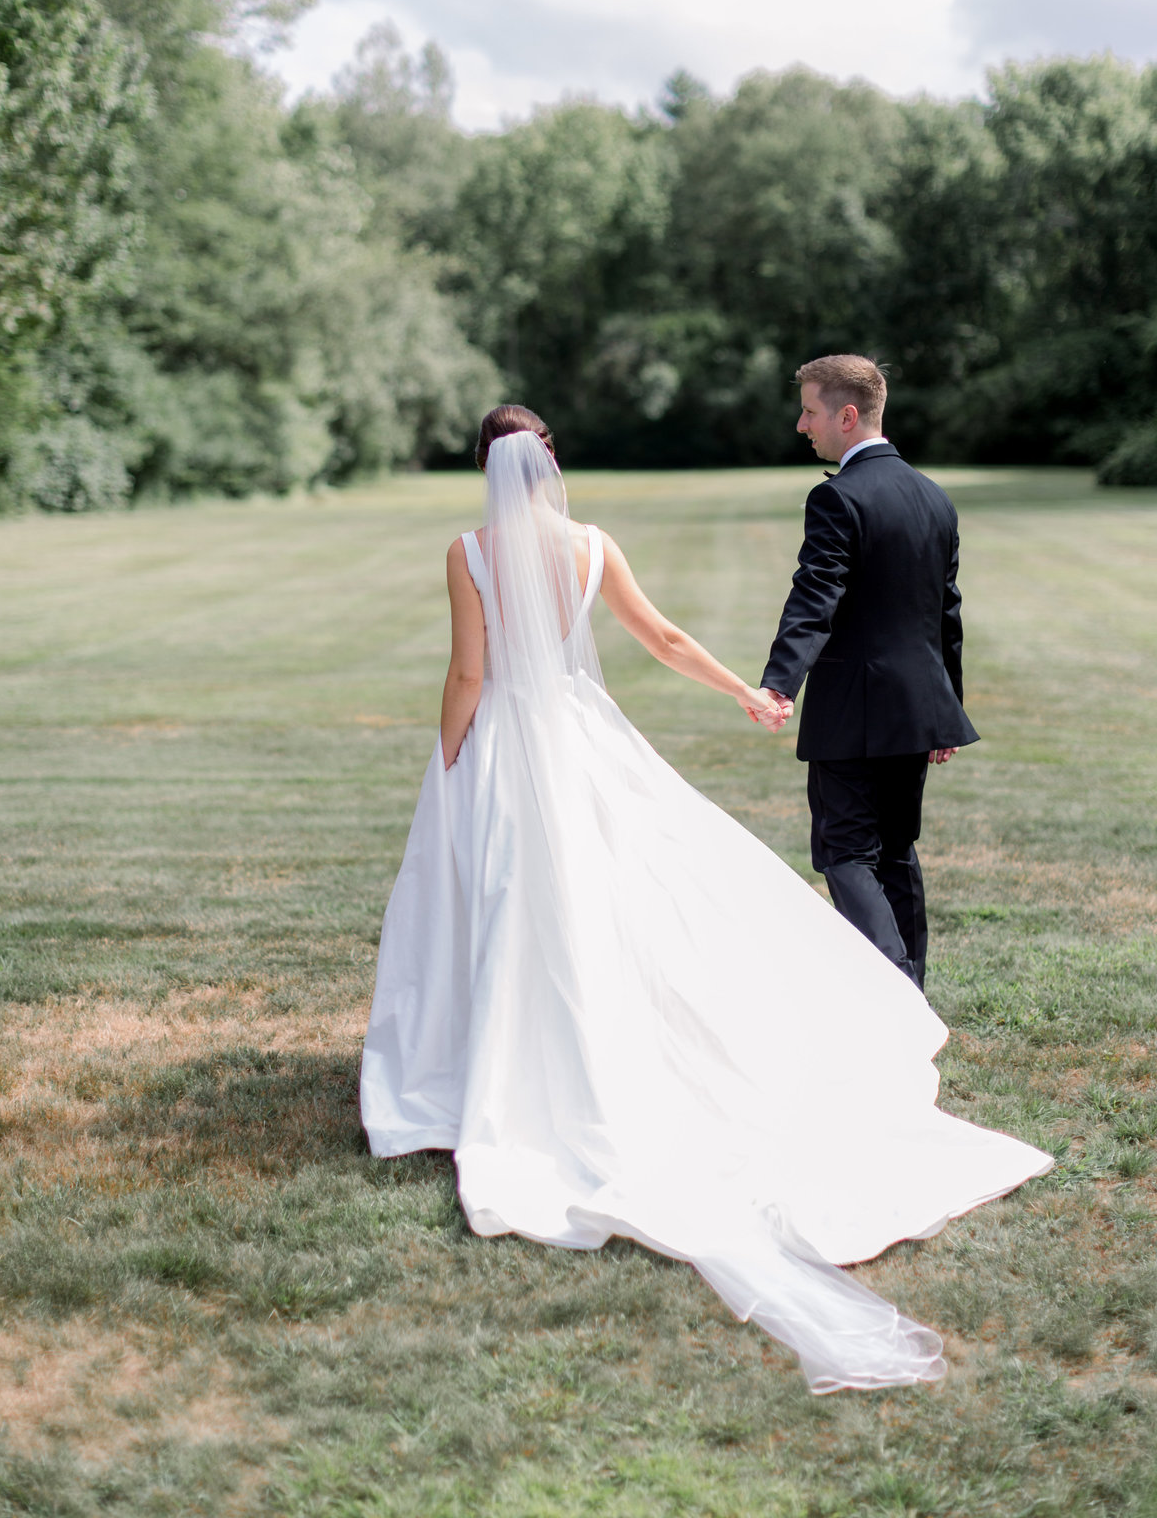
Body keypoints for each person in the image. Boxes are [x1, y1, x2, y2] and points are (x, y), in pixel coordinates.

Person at [359, 403, 1049, 1393]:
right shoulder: (592, 546)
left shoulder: (469, 550)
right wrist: (745, 691)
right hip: (583, 737)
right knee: (617, 894)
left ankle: (497, 1053)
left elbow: (470, 669)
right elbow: (665, 636)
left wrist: (450, 754)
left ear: (484, 468)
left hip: (512, 740)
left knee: (507, 902)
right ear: (549, 461)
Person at [760, 356, 978, 990]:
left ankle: (896, 989)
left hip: (854, 712)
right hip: (917, 709)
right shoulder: (934, 497)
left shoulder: (836, 497)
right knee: (895, 851)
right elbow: (947, 613)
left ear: (846, 416)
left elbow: (814, 596)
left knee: (845, 853)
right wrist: (947, 708)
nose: (803, 424)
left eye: (809, 410)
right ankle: (914, 998)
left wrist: (779, 683)